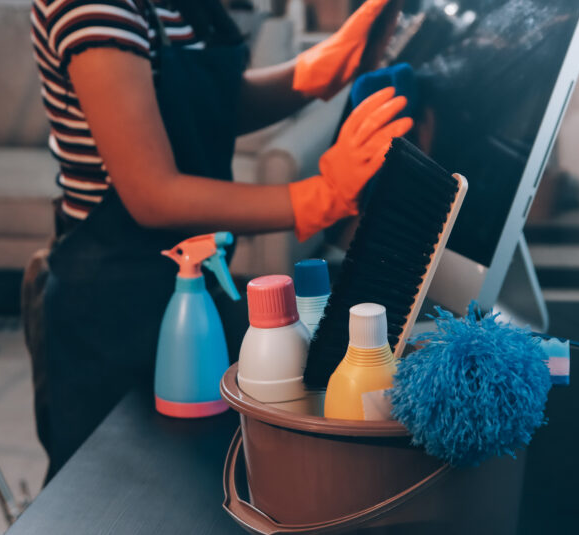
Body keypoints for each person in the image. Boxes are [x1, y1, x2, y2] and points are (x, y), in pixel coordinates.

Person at [25, 0, 411, 481]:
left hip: (190, 287)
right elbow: (152, 193)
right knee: (118, 494)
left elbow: (198, 103)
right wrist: (320, 197)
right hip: (113, 308)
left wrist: (314, 71)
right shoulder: (92, 6)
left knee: (199, 473)